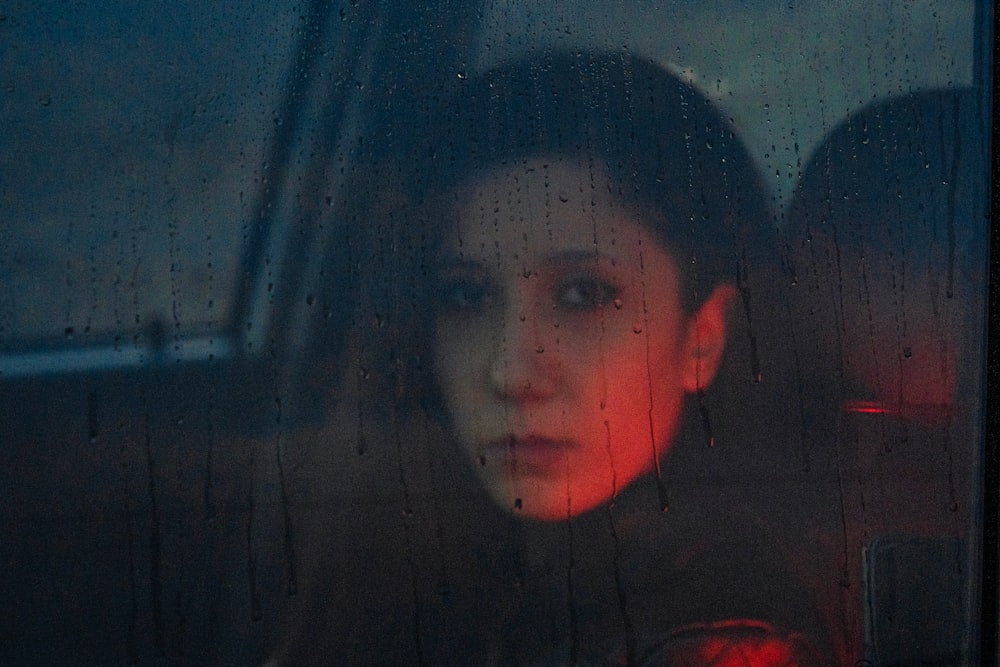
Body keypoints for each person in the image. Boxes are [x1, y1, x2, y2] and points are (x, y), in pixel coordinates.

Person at [278, 50, 829, 665]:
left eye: (583, 294)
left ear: (703, 338)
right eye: (466, 294)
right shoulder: (428, 581)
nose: (510, 372)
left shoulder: (727, 645)